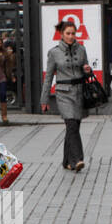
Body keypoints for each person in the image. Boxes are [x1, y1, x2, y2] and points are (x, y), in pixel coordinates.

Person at [40, 19, 92, 171]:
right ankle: (77, 159)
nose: (71, 36)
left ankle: (66, 161)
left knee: (74, 127)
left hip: (79, 92)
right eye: (68, 33)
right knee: (71, 125)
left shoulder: (81, 49)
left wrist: (88, 70)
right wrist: (44, 99)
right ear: (61, 34)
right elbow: (48, 77)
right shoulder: (54, 53)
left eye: (73, 33)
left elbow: (86, 71)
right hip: (63, 93)